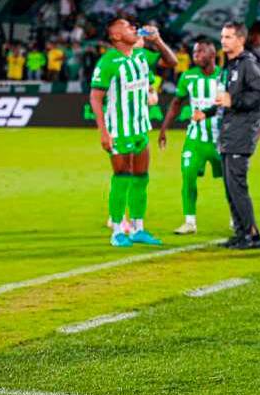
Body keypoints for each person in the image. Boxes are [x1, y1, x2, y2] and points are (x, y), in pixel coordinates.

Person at [89, 18, 177, 247]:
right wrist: (103, 132)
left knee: (141, 179)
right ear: (116, 36)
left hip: (140, 129)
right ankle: (117, 231)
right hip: (119, 132)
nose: (133, 28)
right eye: (128, 27)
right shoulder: (108, 62)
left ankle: (138, 229)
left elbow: (172, 61)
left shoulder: (141, 57)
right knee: (121, 178)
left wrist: (156, 39)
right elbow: (95, 98)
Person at [158, 39, 224, 236]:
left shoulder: (225, 76)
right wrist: (164, 129)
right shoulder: (187, 77)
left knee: (231, 182)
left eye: (201, 52)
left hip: (222, 141)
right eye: (194, 52)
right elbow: (176, 103)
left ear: (212, 55)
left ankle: (236, 219)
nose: (196, 55)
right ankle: (189, 222)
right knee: (188, 176)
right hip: (195, 138)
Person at [216, 22, 260, 250]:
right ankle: (242, 234)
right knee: (230, 187)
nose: (223, 41)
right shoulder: (229, 65)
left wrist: (234, 101)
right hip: (228, 133)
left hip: (240, 134)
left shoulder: (247, 64)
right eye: (222, 36)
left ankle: (252, 235)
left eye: (228, 37)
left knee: (237, 187)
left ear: (240, 39)